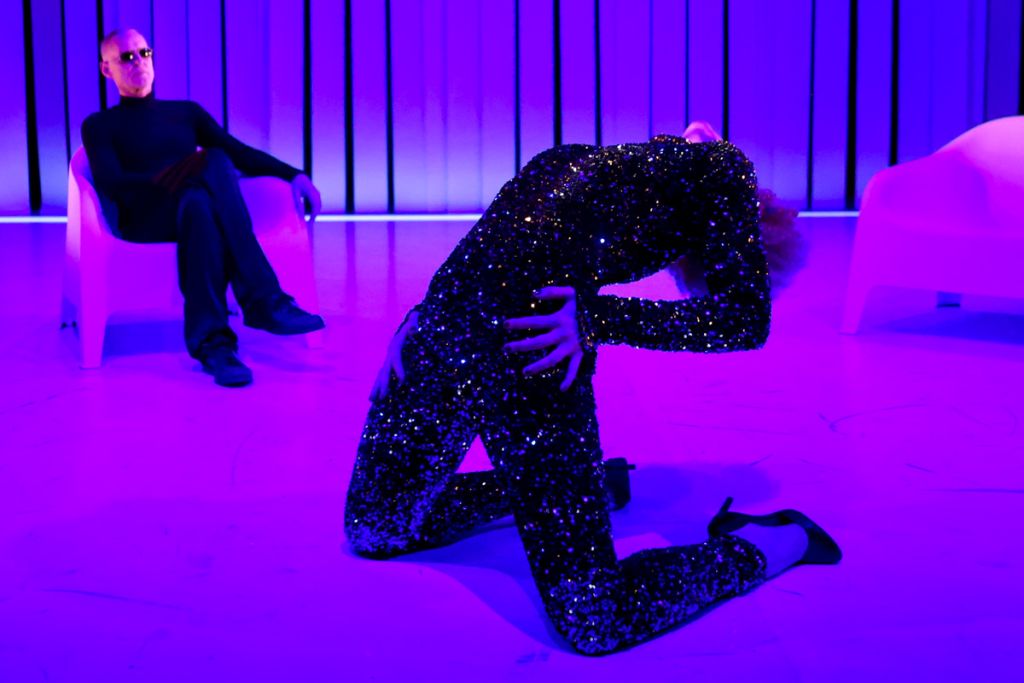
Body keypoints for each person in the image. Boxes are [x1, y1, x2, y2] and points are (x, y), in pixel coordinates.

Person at [344, 128, 840, 655]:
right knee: (377, 527)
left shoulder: (657, 172)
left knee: (594, 616)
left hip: (530, 351)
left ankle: (773, 541)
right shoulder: (716, 166)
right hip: (446, 331)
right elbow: (499, 237)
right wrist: (423, 314)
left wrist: (594, 318)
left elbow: (742, 320)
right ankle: (593, 487)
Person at [81, 28, 325, 387]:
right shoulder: (99, 125)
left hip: (190, 213)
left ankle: (215, 347)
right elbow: (111, 183)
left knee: (199, 204)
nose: (138, 63)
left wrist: (295, 175)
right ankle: (263, 299)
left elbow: (239, 152)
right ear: (107, 69)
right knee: (211, 161)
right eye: (126, 57)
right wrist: (176, 176)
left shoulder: (185, 113)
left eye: (144, 53)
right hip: (144, 218)